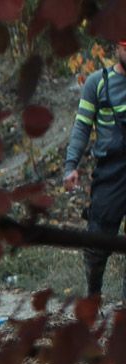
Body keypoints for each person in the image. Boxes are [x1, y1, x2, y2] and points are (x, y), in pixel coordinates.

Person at [65, 40, 126, 301]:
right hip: (111, 172)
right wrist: (71, 166)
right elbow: (81, 127)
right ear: (117, 48)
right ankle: (93, 298)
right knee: (97, 243)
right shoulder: (97, 82)